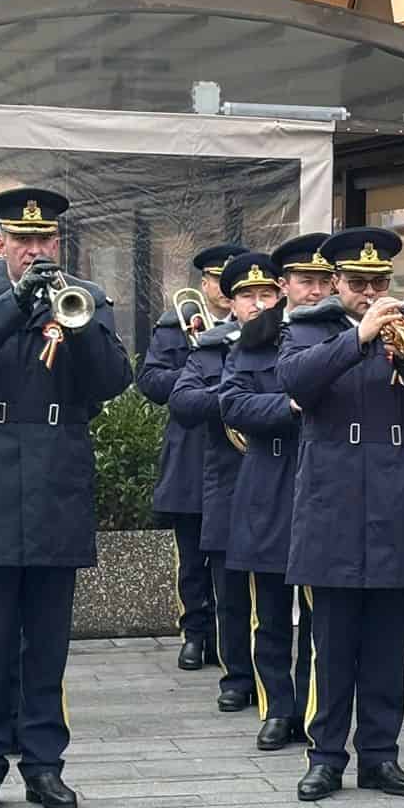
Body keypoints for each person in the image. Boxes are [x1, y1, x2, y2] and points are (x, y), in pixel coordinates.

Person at [0, 187, 133, 808]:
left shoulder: (86, 301)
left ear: (58, 244)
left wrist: (75, 327)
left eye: (45, 241)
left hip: (55, 482)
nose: (35, 250)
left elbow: (114, 378)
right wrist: (14, 305)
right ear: (2, 245)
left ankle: (44, 763)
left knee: (46, 643)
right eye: (24, 242)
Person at [278, 228, 404, 802]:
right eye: (358, 284)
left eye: (379, 283)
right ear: (336, 282)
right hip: (334, 507)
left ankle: (381, 756)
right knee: (331, 646)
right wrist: (356, 339)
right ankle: (326, 756)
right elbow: (295, 382)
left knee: (387, 647)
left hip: (398, 505)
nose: (371, 293)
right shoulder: (308, 328)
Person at [220, 236, 331, 752]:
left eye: (321, 280)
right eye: (304, 281)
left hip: (327, 487)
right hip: (270, 480)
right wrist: (289, 407)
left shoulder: (340, 335)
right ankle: (275, 708)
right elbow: (234, 405)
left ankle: (312, 708)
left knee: (318, 614)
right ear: (282, 285)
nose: (314, 291)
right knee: (269, 610)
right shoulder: (254, 340)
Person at [140, 243, 244, 671]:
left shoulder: (256, 328)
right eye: (216, 280)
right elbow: (148, 379)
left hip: (237, 455)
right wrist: (196, 373)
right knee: (190, 556)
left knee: (229, 554)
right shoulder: (175, 325)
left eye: (229, 281)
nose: (222, 288)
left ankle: (227, 636)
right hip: (189, 450)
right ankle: (194, 632)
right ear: (203, 284)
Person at [171, 255, 256, 714]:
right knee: (231, 590)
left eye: (267, 296)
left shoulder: (290, 345)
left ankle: (279, 688)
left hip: (280, 480)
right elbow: (181, 399)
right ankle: (237, 675)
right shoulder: (210, 347)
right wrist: (235, 399)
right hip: (227, 479)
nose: (258, 305)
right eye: (248, 296)